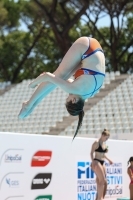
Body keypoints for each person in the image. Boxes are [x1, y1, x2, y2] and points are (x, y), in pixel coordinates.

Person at [18, 36, 105, 140]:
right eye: (68, 97)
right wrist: (33, 83)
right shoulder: (75, 89)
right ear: (74, 100)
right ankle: (29, 104)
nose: (68, 93)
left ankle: (32, 104)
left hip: (96, 50)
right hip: (86, 46)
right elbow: (47, 76)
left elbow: (62, 82)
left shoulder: (88, 94)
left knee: (60, 78)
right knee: (60, 74)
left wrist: (47, 83)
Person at [90, 129, 113, 200]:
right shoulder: (96, 142)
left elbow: (103, 155)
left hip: (102, 162)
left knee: (101, 180)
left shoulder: (104, 144)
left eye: (108, 138)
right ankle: (100, 198)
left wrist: (109, 160)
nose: (107, 139)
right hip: (96, 162)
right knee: (102, 180)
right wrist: (93, 161)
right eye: (106, 138)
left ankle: (97, 198)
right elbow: (91, 153)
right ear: (103, 135)